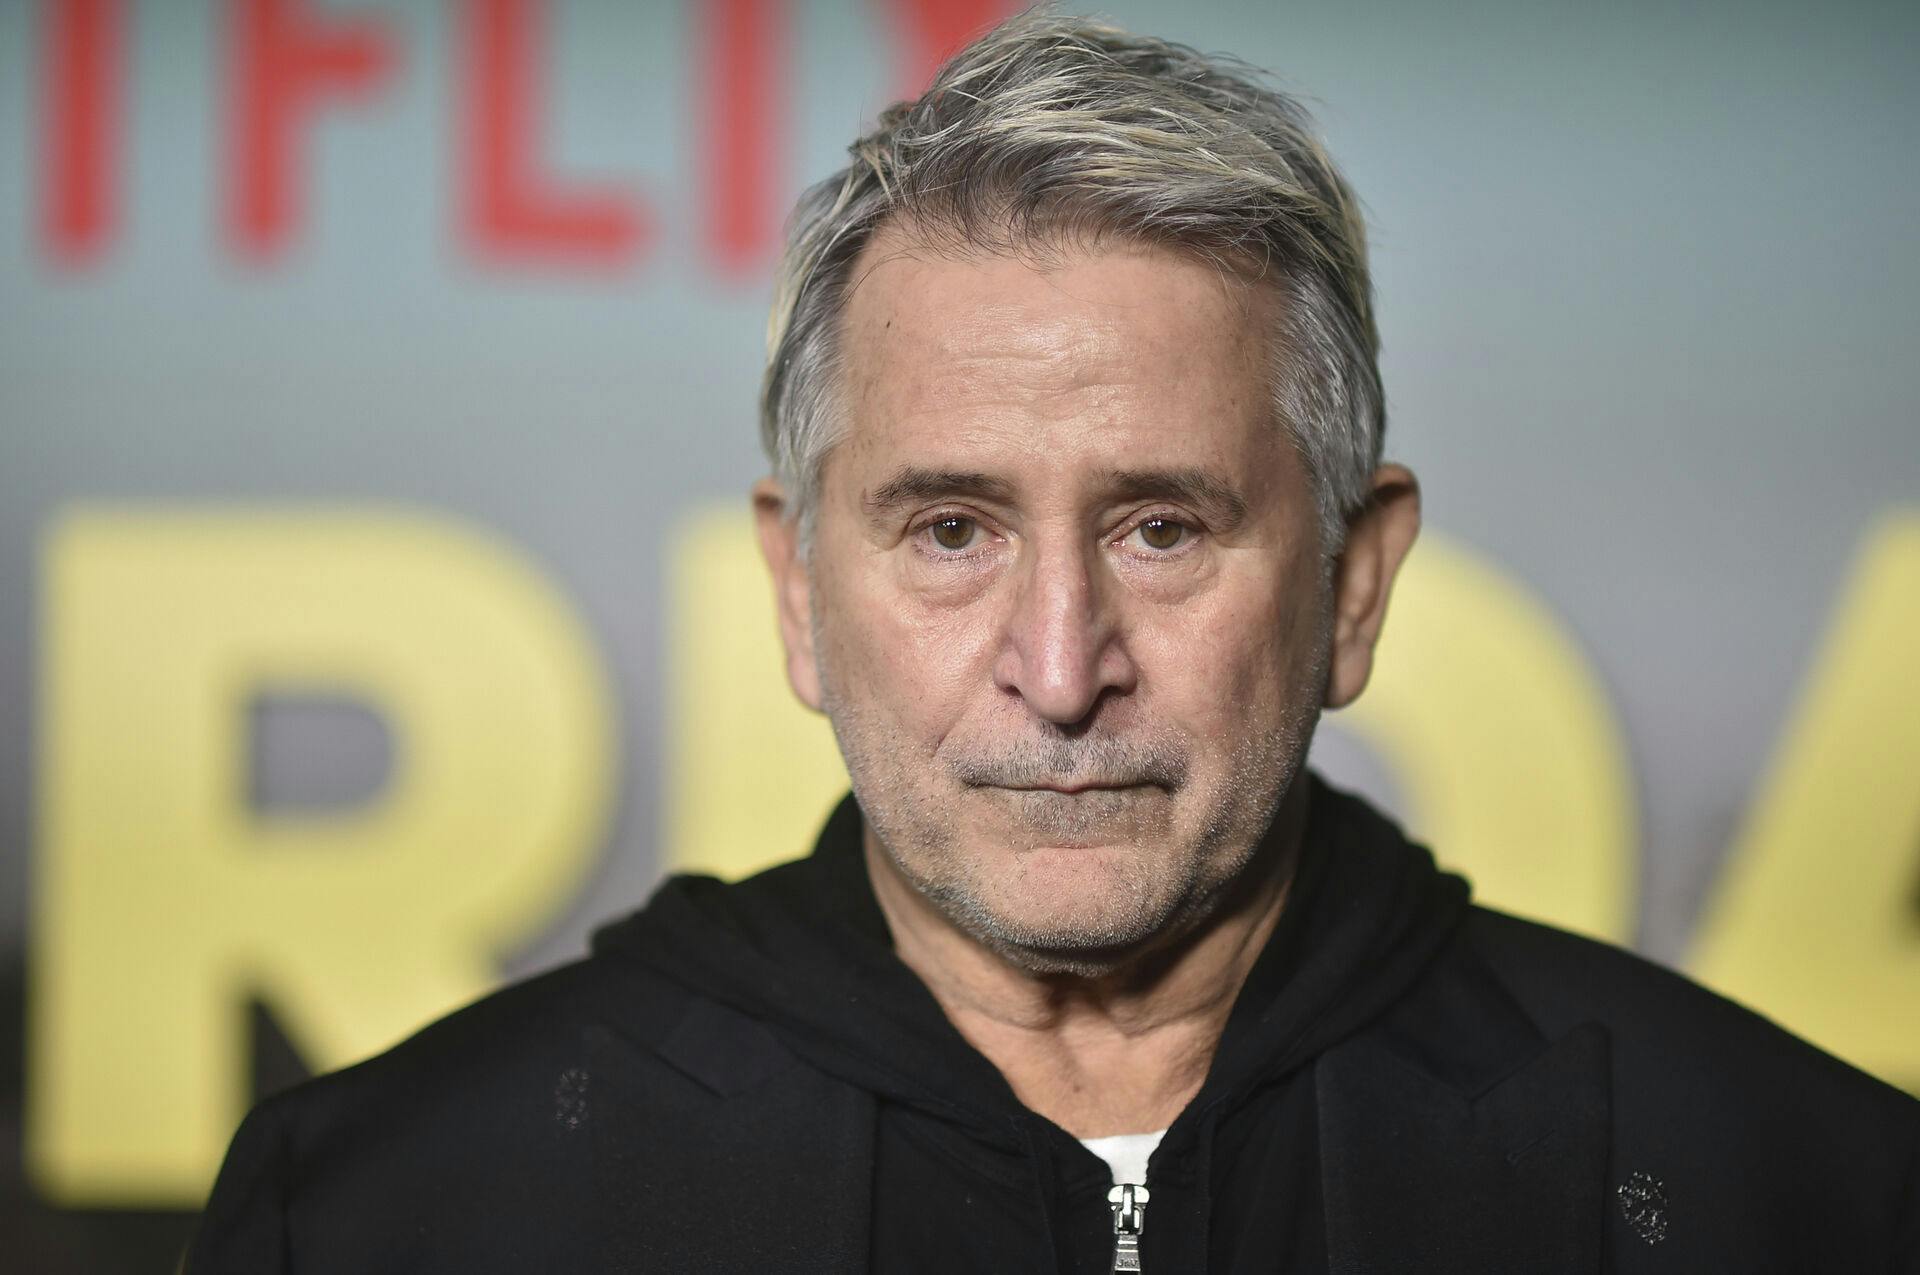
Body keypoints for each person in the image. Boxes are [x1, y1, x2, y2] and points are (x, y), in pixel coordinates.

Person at [188, 12, 1919, 1273]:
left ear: (1355, 584)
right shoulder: (378, 1217)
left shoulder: (1809, 1198)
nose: (1064, 667)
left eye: (1163, 527)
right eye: (952, 530)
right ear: (798, 594)